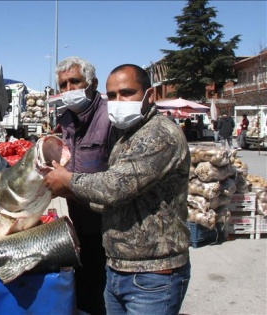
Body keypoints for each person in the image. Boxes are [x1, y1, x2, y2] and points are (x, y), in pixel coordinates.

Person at [44, 64, 191, 314]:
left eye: (127, 93)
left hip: (152, 273)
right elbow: (113, 202)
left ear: (149, 95)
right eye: (112, 96)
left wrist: (68, 181)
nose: (118, 101)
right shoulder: (126, 137)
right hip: (119, 268)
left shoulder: (159, 134)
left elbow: (115, 187)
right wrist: (67, 191)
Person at [52, 56, 121, 314]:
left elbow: (118, 177)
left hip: (109, 224)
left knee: (107, 294)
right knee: (86, 292)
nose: (69, 90)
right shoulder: (66, 119)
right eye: (63, 85)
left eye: (75, 82)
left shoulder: (110, 117)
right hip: (80, 221)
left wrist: (69, 183)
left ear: (92, 83)